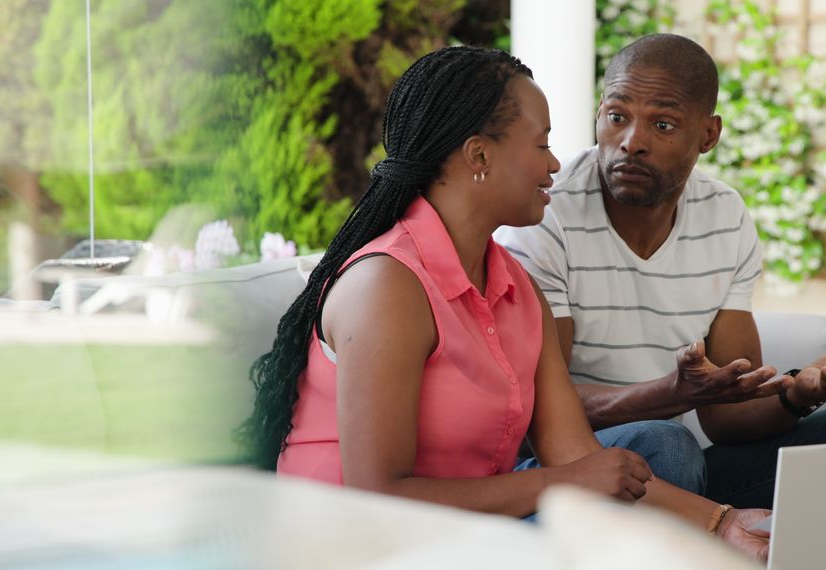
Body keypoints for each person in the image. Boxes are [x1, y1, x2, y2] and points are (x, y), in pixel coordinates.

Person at [239, 45, 773, 561]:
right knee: (602, 516)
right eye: (540, 144)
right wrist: (563, 484)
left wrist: (723, 524)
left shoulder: (517, 287)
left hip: (469, 525)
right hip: (366, 542)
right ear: (479, 155)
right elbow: (378, 496)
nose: (556, 163)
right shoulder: (387, 285)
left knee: (659, 450)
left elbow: (576, 453)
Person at [495, 34, 826, 509]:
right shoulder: (545, 215)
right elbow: (538, 415)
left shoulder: (724, 215)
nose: (631, 142)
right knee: (667, 448)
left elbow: (726, 418)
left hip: (679, 468)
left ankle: (728, 531)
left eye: (664, 124)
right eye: (617, 116)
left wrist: (801, 389)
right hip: (575, 469)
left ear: (708, 135)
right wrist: (668, 395)